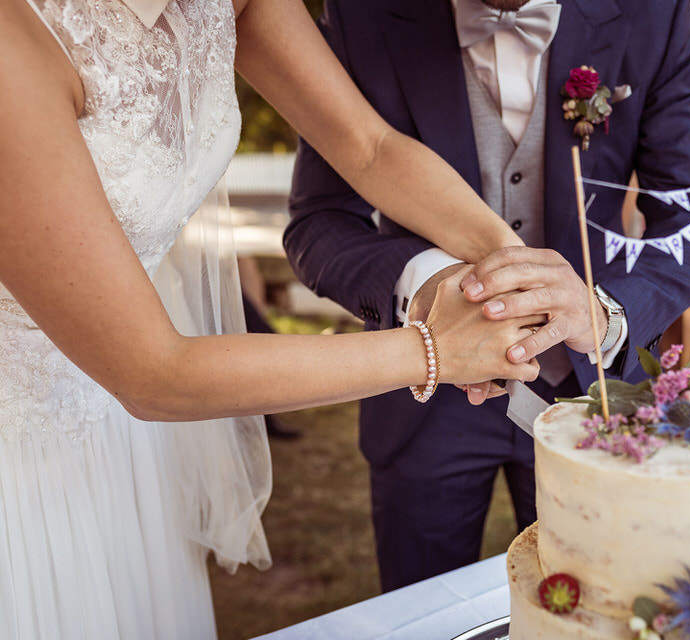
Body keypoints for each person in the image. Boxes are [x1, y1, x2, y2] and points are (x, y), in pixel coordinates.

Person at [0, 0, 545, 637]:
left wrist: (514, 270)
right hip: (28, 434)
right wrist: (434, 351)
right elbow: (152, 373)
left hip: (120, 440)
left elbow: (368, 148)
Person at [285, 0, 690, 591]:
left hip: (592, 392)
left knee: (595, 610)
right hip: (424, 400)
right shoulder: (361, 14)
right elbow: (319, 221)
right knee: (425, 614)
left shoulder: (652, 12)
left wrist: (606, 316)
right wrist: (421, 283)